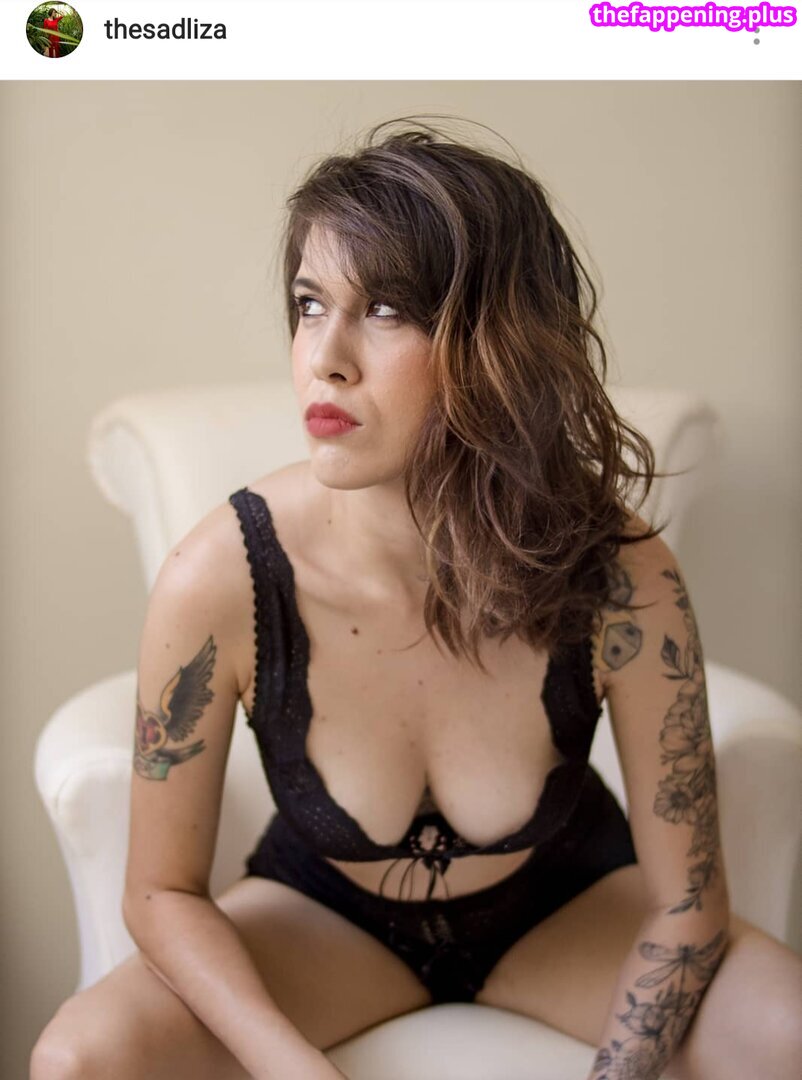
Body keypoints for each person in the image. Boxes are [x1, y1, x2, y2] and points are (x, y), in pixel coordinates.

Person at [31, 119, 801, 1080]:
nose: (326, 357)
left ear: (501, 344)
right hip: (323, 923)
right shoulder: (222, 574)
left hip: (568, 914)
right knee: (79, 1059)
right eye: (310, 304)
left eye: (387, 310)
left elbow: (687, 903)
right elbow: (159, 894)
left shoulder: (617, 572)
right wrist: (293, 1068)